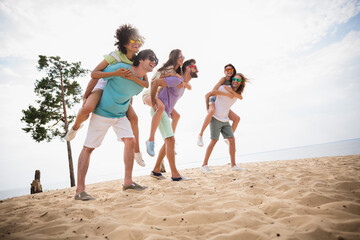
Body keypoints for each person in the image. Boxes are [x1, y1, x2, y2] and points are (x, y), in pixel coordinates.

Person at [74, 49, 158, 201]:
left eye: (156, 60)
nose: (154, 61)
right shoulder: (118, 69)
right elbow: (96, 75)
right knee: (88, 148)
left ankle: (128, 182)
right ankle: (80, 191)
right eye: (151, 58)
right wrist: (86, 96)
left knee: (130, 141)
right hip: (102, 113)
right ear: (140, 60)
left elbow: (128, 95)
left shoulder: (141, 85)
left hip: (120, 115)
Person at [65, 24, 148, 167]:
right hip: (104, 84)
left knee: (134, 117)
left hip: (121, 91)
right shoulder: (115, 55)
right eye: (133, 40)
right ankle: (75, 127)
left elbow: (144, 81)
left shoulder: (138, 59)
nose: (137, 43)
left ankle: (137, 152)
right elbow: (94, 74)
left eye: (139, 40)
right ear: (124, 42)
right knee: (87, 108)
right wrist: (115, 74)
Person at [148, 59, 198, 181]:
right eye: (194, 67)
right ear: (187, 68)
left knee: (168, 141)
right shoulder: (176, 79)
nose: (197, 69)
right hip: (160, 111)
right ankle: (175, 175)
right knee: (170, 140)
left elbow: (187, 86)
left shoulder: (183, 82)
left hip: (166, 112)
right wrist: (154, 104)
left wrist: (186, 84)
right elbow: (155, 83)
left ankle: (156, 171)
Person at [142, 49, 190, 159]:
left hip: (160, 97)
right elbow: (153, 81)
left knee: (176, 116)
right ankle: (150, 140)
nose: (183, 58)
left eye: (183, 56)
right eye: (180, 56)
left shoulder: (178, 72)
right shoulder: (166, 68)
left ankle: (169, 141)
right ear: (174, 57)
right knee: (161, 107)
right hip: (149, 94)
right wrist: (169, 74)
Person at [201, 73, 248, 174]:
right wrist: (208, 108)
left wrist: (231, 91)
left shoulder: (237, 93)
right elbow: (210, 94)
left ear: (241, 83)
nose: (235, 81)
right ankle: (204, 165)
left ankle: (233, 165)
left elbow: (240, 97)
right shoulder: (223, 87)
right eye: (234, 79)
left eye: (238, 80)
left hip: (225, 119)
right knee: (213, 141)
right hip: (215, 118)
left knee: (232, 140)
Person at [197, 64, 241, 147]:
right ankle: (200, 135)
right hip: (214, 100)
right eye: (227, 70)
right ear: (224, 72)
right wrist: (207, 107)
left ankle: (228, 138)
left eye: (231, 70)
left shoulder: (234, 80)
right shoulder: (223, 79)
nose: (229, 71)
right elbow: (212, 91)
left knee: (237, 119)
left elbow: (238, 95)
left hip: (222, 104)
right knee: (212, 111)